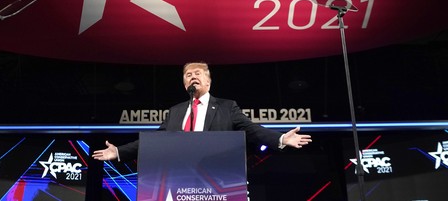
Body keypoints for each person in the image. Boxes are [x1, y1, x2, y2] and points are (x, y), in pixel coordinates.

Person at [92, 62, 312, 162]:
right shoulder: (176, 112)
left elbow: (253, 130)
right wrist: (119, 152)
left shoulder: (227, 107)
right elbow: (155, 141)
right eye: (188, 75)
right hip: (180, 181)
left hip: (218, 178)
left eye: (197, 73)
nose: (192, 77)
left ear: (208, 80)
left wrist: (281, 138)